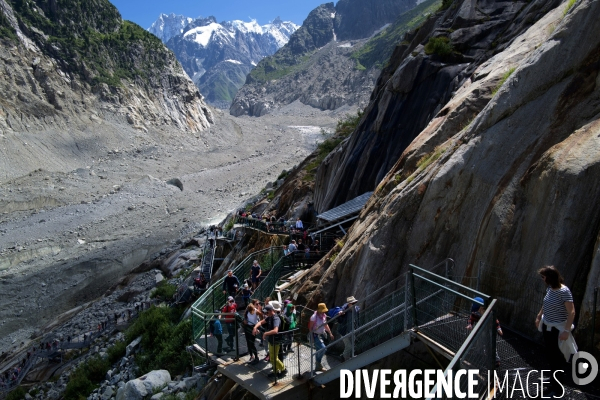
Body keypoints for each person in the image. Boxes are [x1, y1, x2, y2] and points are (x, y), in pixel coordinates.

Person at [535, 266, 576, 394]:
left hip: (557, 329)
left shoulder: (564, 291)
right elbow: (545, 303)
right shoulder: (550, 289)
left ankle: (557, 387)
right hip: (548, 326)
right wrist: (538, 316)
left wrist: (566, 331)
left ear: (550, 278)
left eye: (543, 277)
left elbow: (572, 312)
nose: (542, 279)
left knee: (556, 358)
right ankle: (553, 379)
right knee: (550, 355)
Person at [253, 302, 287, 378]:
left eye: (267, 312)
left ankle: (283, 369)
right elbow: (261, 322)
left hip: (276, 341)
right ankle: (275, 372)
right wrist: (255, 327)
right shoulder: (269, 317)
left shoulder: (275, 318)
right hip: (271, 340)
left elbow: (275, 330)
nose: (266, 314)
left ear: (271, 310)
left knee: (274, 358)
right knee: (272, 358)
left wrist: (265, 334)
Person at [466, 297, 502, 367]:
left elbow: (496, 321)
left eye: (479, 310)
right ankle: (479, 353)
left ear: (482, 308)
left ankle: (496, 359)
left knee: (491, 344)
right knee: (479, 341)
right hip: (481, 329)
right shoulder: (476, 313)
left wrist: (498, 329)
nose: (477, 312)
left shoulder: (490, 313)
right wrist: (470, 324)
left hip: (490, 330)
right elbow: (471, 318)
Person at [309, 303, 334, 371]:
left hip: (321, 334)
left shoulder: (323, 315)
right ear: (319, 310)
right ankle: (318, 364)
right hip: (315, 335)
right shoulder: (314, 317)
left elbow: (325, 325)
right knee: (323, 348)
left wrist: (330, 333)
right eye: (323, 310)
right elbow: (310, 327)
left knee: (318, 350)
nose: (324, 311)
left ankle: (318, 366)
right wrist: (312, 338)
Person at [336, 296, 360, 361]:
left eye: (355, 303)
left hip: (353, 330)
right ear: (349, 304)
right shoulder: (345, 310)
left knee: (352, 345)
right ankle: (344, 358)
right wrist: (340, 313)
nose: (354, 304)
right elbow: (340, 312)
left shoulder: (356, 309)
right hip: (345, 331)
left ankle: (347, 357)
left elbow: (357, 319)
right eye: (353, 303)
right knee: (349, 346)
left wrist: (358, 328)